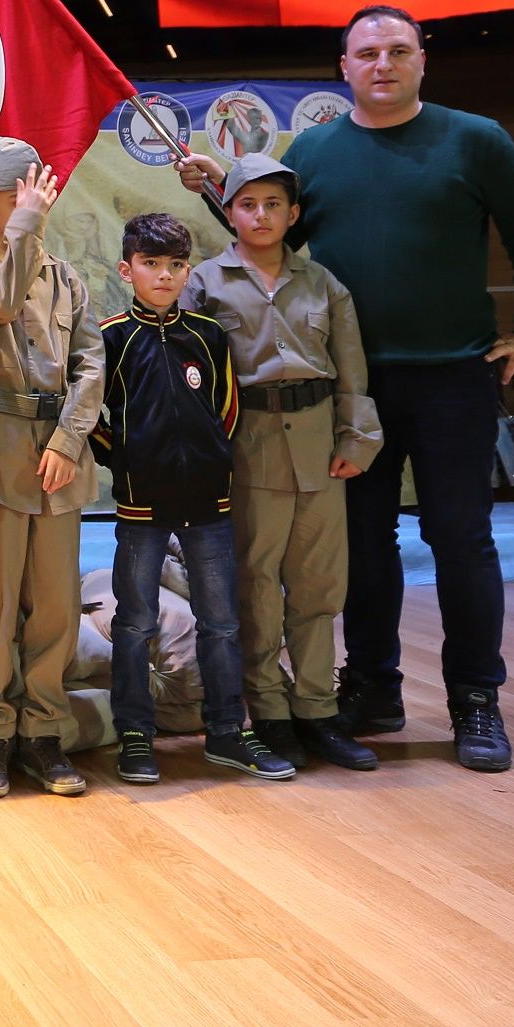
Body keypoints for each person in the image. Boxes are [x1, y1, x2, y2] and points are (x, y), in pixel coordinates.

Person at [176, 4, 514, 771]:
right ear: (344, 68)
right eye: (367, 53)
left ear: (422, 59)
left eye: (397, 50)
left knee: (461, 538)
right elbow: (273, 238)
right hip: (347, 387)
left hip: (454, 377)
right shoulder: (316, 150)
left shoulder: (475, 138)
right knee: (360, 543)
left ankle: (475, 700)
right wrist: (222, 191)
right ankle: (373, 688)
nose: (382, 64)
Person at [182, 153, 382, 774]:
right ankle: (269, 711)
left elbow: (351, 368)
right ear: (228, 212)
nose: (261, 216)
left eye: (273, 205)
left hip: (320, 448)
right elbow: (188, 375)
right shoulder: (204, 284)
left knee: (320, 585)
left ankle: (317, 710)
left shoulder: (323, 284)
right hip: (248, 447)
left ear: (293, 215)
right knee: (257, 584)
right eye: (248, 205)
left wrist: (357, 439)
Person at [89, 211, 295, 785]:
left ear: (188, 271)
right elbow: (90, 415)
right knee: (135, 622)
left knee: (222, 622)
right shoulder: (110, 337)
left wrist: (212, 463)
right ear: (127, 270)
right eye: (151, 264)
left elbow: (227, 409)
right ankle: (135, 733)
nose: (164, 275)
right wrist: (123, 458)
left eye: (176, 265)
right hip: (141, 505)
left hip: (209, 505)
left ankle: (227, 731)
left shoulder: (208, 335)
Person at [0, 137, 106, 800]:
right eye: (17, 195)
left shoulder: (67, 278)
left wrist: (69, 442)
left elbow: (91, 363)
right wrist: (24, 231)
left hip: (58, 455)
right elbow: (0, 304)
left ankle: (44, 731)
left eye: (37, 191)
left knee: (54, 607)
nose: (34, 202)